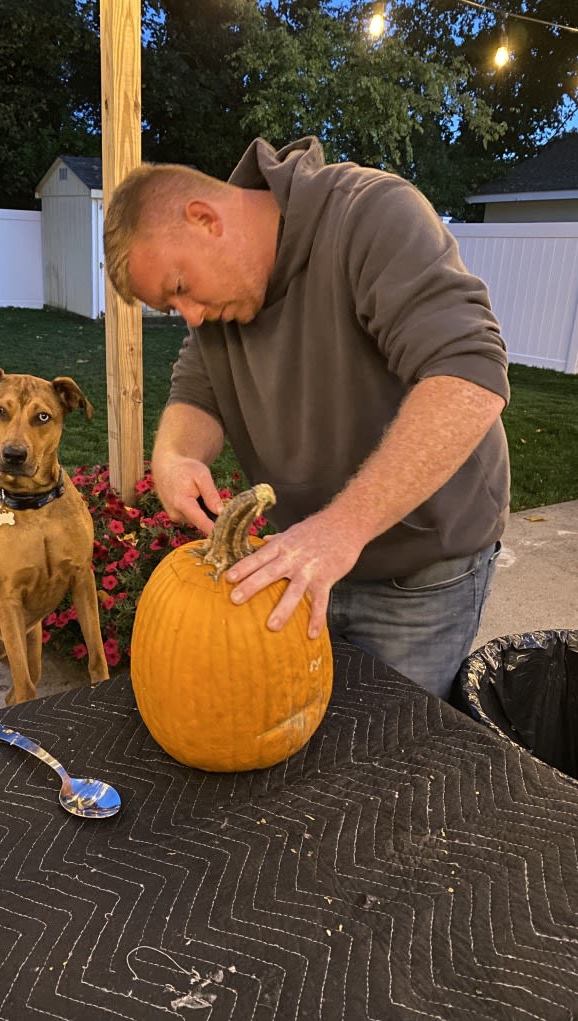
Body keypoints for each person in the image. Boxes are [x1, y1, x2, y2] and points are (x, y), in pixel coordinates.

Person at [103, 136, 510, 700]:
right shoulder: (222, 304)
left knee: (393, 760)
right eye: (175, 309)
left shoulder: (370, 215)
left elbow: (469, 377)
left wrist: (340, 529)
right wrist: (174, 455)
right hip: (302, 561)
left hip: (418, 577)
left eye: (180, 288)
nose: (191, 315)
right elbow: (197, 392)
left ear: (204, 219)